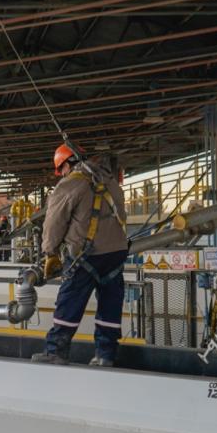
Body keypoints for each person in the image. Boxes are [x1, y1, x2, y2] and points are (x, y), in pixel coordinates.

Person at [32, 143, 127, 367]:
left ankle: (56, 351)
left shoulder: (70, 184)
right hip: (116, 254)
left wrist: (50, 252)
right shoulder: (110, 182)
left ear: (66, 164)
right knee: (110, 304)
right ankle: (105, 355)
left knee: (69, 300)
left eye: (61, 169)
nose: (61, 174)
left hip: (86, 255)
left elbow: (53, 223)